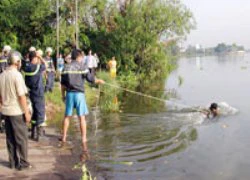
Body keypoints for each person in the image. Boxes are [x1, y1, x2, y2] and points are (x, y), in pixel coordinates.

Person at [60, 49, 104, 149]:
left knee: (67, 117)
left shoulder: (65, 67)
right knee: (82, 118)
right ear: (79, 56)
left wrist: (63, 96)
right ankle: (84, 139)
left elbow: (62, 85)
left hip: (70, 94)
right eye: (82, 56)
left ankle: (64, 138)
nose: (83, 58)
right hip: (79, 95)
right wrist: (99, 81)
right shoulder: (82, 66)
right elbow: (91, 79)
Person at [0, 52, 32, 170]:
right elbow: (21, 96)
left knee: (10, 139)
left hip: (6, 111)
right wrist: (27, 112)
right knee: (21, 139)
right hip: (16, 111)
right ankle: (23, 163)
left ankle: (13, 162)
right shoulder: (17, 75)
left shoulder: (2, 75)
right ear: (17, 62)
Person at [23, 51, 46, 141]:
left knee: (35, 113)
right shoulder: (37, 67)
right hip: (38, 93)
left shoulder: (26, 67)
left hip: (30, 92)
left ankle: (33, 133)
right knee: (40, 112)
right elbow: (45, 65)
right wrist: (40, 57)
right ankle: (39, 135)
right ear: (35, 58)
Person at [0, 45, 11, 133]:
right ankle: (2, 123)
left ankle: (4, 122)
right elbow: (3, 69)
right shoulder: (3, 58)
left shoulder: (8, 57)